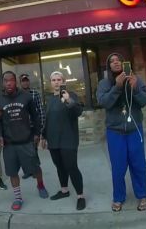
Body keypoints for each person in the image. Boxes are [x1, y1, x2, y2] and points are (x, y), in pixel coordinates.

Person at [96, 53, 146, 212]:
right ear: (109, 66)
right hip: (115, 132)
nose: (116, 63)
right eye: (112, 61)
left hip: (134, 130)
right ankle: (118, 197)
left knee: (138, 165)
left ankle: (142, 195)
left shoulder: (136, 79)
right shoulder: (104, 84)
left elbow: (144, 101)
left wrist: (134, 89)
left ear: (124, 62)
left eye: (118, 60)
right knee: (118, 168)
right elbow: (104, 102)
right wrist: (117, 87)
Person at [0, 71, 47, 211]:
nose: (9, 83)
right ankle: (18, 198)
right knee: (12, 173)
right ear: (3, 83)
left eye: (11, 80)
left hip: (26, 141)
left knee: (35, 169)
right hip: (9, 144)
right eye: (6, 80)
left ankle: (40, 185)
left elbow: (35, 116)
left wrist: (37, 133)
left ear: (15, 82)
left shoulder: (26, 97)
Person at [42, 71, 85, 211]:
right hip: (53, 140)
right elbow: (46, 120)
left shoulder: (71, 95)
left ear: (64, 81)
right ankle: (64, 191)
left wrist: (68, 100)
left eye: (59, 79)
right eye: (53, 80)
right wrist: (43, 136)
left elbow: (78, 111)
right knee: (60, 167)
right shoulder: (49, 99)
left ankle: (80, 196)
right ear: (50, 83)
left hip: (69, 139)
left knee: (72, 167)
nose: (56, 82)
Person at [19, 73, 46, 179]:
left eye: (26, 80)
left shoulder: (35, 93)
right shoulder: (18, 95)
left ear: (29, 82)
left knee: (33, 150)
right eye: (23, 81)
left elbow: (41, 110)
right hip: (22, 129)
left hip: (34, 127)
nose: (25, 82)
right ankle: (28, 171)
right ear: (20, 83)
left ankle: (36, 170)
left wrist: (41, 127)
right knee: (25, 151)